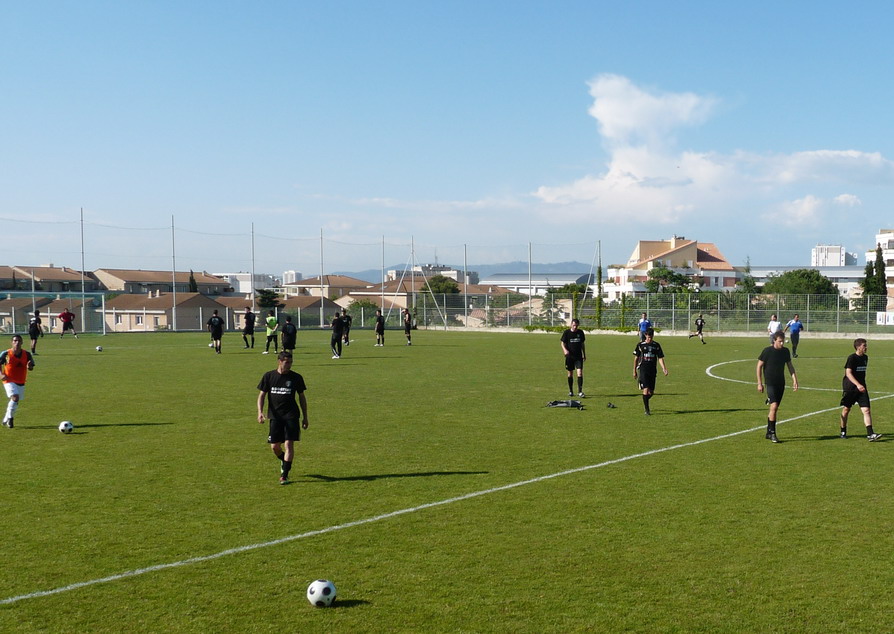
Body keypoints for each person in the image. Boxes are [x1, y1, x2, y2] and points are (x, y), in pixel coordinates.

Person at [256, 350, 309, 485]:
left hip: (291, 415)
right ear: (279, 361)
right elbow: (261, 395)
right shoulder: (269, 376)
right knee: (275, 447)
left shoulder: (296, 377)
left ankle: (284, 475)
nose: (289, 365)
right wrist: (260, 412)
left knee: (288, 444)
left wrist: (305, 417)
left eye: (291, 362)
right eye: (287, 362)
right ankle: (284, 461)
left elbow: (302, 397)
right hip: (275, 416)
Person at [756, 331, 798, 443]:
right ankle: (773, 433)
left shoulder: (785, 352)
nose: (782, 343)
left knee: (774, 408)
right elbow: (759, 366)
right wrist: (759, 383)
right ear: (774, 340)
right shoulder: (767, 351)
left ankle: (768, 432)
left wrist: (794, 380)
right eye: (780, 341)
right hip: (770, 383)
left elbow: (790, 366)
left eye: (783, 341)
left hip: (781, 383)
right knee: (774, 407)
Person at [838, 338, 882, 441]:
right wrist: (857, 384)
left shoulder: (866, 358)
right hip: (851, 388)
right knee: (846, 409)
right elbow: (848, 373)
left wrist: (861, 385)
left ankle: (870, 434)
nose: (866, 347)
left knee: (866, 410)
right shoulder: (852, 358)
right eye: (864, 346)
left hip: (862, 388)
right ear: (858, 347)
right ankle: (843, 431)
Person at [1, 335, 36, 428]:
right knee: (15, 398)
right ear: (11, 342)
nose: (17, 342)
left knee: (15, 401)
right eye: (15, 340)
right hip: (8, 380)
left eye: (19, 341)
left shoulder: (27, 354)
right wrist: (1, 374)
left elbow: (31, 366)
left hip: (21, 380)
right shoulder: (6, 353)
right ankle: (10, 419)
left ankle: (6, 417)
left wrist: (29, 366)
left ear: (22, 343)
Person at [633, 328, 668, 415]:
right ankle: (647, 410)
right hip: (643, 369)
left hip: (652, 369)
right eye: (648, 337)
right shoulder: (640, 345)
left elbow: (660, 358)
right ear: (645, 335)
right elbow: (636, 358)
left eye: (651, 337)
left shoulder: (656, 345)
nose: (649, 339)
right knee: (646, 389)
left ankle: (645, 400)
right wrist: (634, 371)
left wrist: (664, 368)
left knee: (651, 392)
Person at [560, 318, 586, 397]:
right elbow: (562, 343)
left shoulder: (580, 333)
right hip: (569, 357)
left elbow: (582, 344)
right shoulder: (567, 333)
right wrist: (565, 350)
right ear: (571, 324)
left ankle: (580, 392)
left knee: (580, 373)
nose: (575, 327)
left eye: (576, 326)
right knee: (570, 374)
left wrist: (584, 354)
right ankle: (571, 391)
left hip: (578, 357)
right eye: (574, 325)